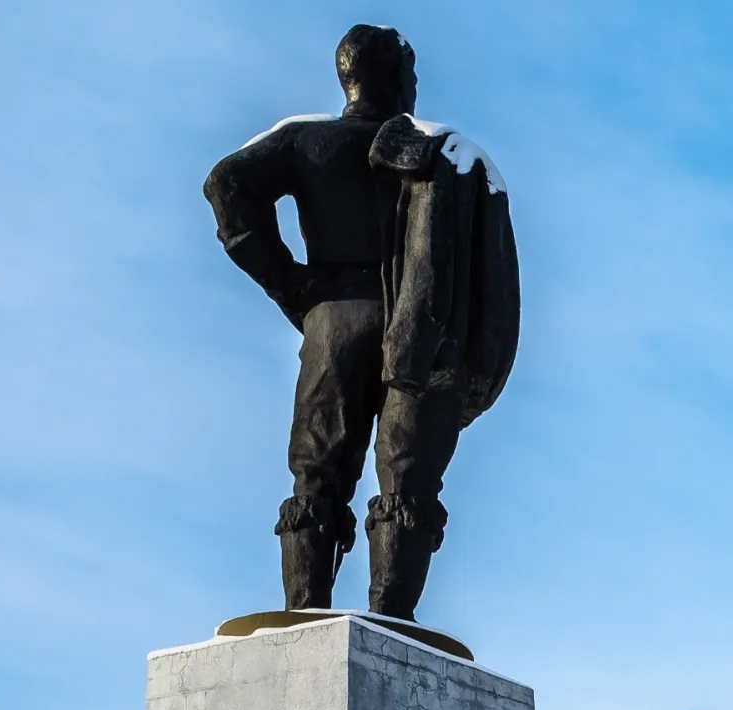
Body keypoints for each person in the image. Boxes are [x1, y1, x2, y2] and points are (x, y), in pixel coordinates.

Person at [203, 24, 518, 620]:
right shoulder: (440, 155)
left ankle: (303, 614)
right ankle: (392, 621)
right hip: (422, 330)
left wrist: (290, 283)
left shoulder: (306, 143)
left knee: (317, 477)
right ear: (399, 79)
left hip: (334, 323)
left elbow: (226, 185)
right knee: (407, 480)